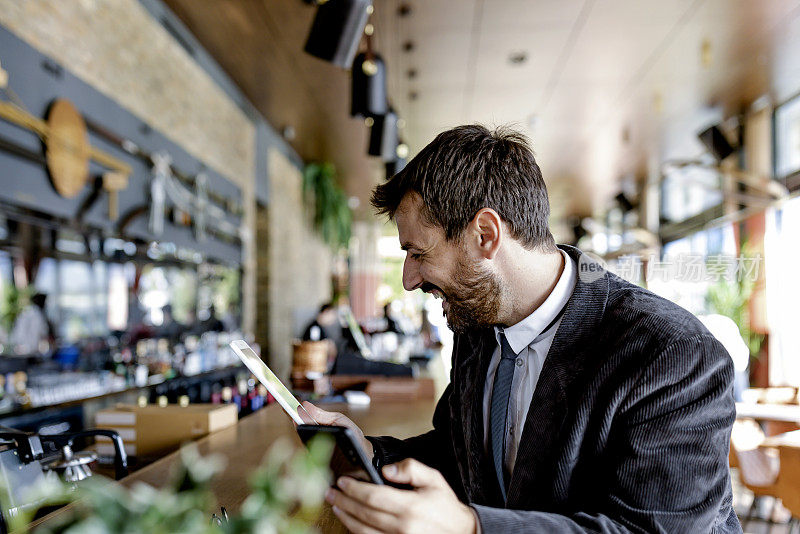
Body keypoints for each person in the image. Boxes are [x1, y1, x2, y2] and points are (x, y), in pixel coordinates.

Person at [301, 125, 740, 533]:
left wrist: (472, 528)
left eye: (418, 253)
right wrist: (371, 452)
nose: (409, 280)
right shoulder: (476, 324)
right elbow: (461, 454)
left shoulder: (673, 354)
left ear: (486, 235)